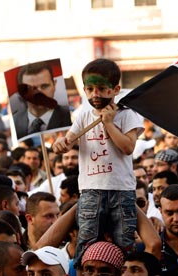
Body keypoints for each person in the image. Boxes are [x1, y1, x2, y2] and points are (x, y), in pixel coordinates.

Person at [52, 58, 143, 267]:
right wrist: (60, 144)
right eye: (90, 88)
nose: (95, 94)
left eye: (102, 88)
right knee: (87, 241)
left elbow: (128, 147)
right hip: (91, 190)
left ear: (115, 89)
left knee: (124, 244)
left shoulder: (127, 115)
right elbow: (68, 141)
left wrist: (109, 124)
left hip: (121, 190)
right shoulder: (83, 116)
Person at [12, 61, 72, 139]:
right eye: (31, 89)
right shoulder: (15, 121)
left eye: (44, 86)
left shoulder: (67, 117)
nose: (39, 93)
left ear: (54, 85)